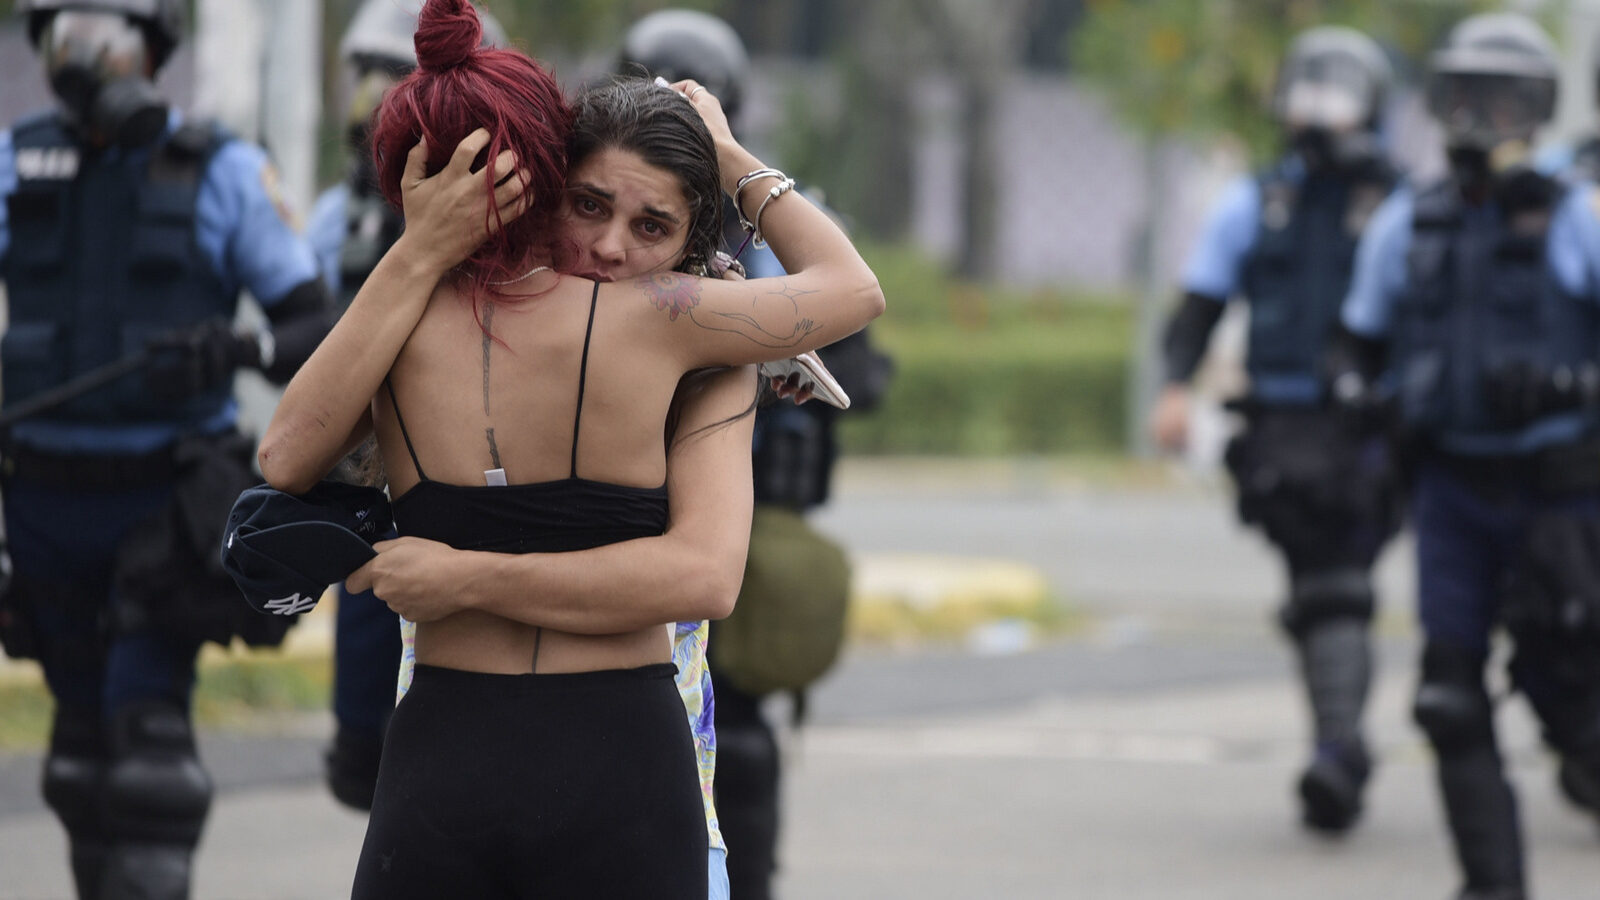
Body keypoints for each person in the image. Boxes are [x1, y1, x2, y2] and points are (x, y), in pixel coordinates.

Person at [256, 1, 883, 896]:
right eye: (585, 206)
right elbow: (287, 452)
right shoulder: (437, 317)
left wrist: (463, 576)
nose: (608, 248)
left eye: (652, 227)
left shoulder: (693, 333)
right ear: (539, 188)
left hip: (624, 751)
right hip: (480, 749)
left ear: (691, 238)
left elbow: (705, 578)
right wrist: (420, 249)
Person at [0, 1, 336, 897]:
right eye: (59, 36)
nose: (77, 58)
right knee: (76, 761)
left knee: (147, 761)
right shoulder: (13, 160)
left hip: (160, 503)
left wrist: (235, 350)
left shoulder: (221, 170)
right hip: (38, 502)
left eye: (98, 35)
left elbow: (315, 324)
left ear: (151, 49)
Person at [620, 11, 893, 897]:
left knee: (730, 736)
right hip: (621, 499)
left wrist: (771, 344)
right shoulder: (600, 206)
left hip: (747, 513)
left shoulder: (774, 215)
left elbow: (859, 344)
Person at [1332, 13, 1600, 900]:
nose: (1484, 119)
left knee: (1573, 687)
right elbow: (1358, 340)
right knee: (1447, 698)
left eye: (1506, 99)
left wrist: (1573, 382)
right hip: (1451, 489)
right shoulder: (1411, 219)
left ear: (1542, 109)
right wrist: (1354, 397)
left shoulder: (1577, 217)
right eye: (1466, 97)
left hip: (1562, 493)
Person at [1146, 25, 1400, 833]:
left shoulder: (1401, 206)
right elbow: (1200, 302)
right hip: (1284, 426)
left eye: (1339, 94)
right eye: (1308, 92)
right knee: (1322, 588)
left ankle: (1338, 751)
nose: (1320, 113)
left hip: (1373, 423)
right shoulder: (1258, 201)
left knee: (1337, 585)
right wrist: (1175, 388)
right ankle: (1339, 746)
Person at [302, 0, 508, 813]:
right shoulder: (339, 214)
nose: (377, 106)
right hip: (371, 491)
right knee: (374, 765)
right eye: (370, 82)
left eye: (403, 83)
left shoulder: (522, 217)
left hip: (476, 496)